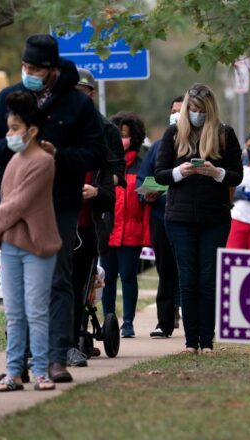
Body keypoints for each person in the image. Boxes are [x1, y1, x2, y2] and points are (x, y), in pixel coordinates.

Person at [0, 34, 110, 383]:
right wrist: (13, 148)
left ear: (53, 69)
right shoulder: (10, 98)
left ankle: (54, 358)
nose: (29, 73)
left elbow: (97, 153)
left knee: (57, 280)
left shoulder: (76, 105)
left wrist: (57, 155)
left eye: (36, 68)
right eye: (25, 66)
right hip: (16, 204)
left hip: (59, 204)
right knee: (18, 287)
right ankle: (18, 361)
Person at [0, 91, 61, 393]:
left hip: (38, 246)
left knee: (36, 311)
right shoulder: (12, 160)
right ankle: (13, 371)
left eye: (15, 128)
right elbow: (7, 201)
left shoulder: (43, 161)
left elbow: (19, 203)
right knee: (14, 313)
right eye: (9, 128)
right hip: (11, 246)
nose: (9, 134)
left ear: (32, 131)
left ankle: (40, 371)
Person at [155, 83, 243, 354]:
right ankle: (190, 341)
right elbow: (160, 174)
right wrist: (180, 172)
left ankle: (207, 340)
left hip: (214, 216)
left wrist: (216, 173)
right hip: (179, 217)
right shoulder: (173, 134)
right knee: (187, 278)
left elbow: (236, 175)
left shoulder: (224, 134)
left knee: (208, 279)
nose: (196, 114)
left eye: (201, 110)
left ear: (210, 110)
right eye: (192, 109)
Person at [67, 68, 120, 366]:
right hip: (53, 223)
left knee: (76, 287)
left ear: (90, 94)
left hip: (86, 225)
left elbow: (115, 185)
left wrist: (96, 192)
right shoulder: (53, 126)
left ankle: (73, 339)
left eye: (81, 91)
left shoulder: (106, 132)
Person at [136, 96, 184, 338]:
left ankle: (195, 320)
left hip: (187, 217)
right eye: (174, 110)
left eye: (181, 111)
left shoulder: (196, 146)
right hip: (160, 217)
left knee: (188, 270)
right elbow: (142, 179)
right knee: (165, 271)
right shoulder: (156, 148)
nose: (177, 114)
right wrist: (147, 195)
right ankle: (164, 322)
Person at [101, 112, 150, 338]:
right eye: (119, 135)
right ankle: (108, 321)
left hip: (131, 232)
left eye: (126, 135)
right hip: (107, 231)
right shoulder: (106, 165)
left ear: (135, 138)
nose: (123, 139)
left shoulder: (141, 167)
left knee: (129, 276)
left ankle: (128, 322)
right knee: (107, 279)